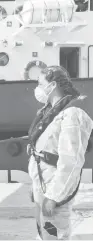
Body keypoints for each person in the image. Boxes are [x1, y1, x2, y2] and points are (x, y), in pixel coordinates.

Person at [27, 66, 93, 240]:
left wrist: (54, 196)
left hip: (54, 191)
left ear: (53, 84)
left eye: (41, 83)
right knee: (44, 232)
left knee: (53, 234)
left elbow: (71, 161)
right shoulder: (50, 110)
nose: (38, 88)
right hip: (43, 184)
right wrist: (35, 186)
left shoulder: (72, 114)